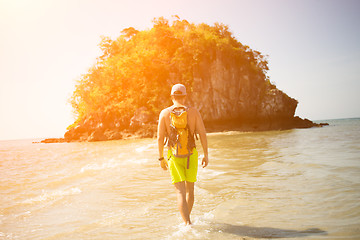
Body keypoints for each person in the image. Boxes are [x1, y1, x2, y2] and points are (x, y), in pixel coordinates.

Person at [157, 83, 209, 225]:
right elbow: (203, 134)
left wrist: (161, 157)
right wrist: (206, 154)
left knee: (180, 192)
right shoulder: (194, 112)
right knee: (189, 191)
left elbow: (160, 138)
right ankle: (187, 222)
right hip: (191, 155)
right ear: (185, 96)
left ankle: (186, 223)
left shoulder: (164, 113)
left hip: (173, 156)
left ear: (172, 96)